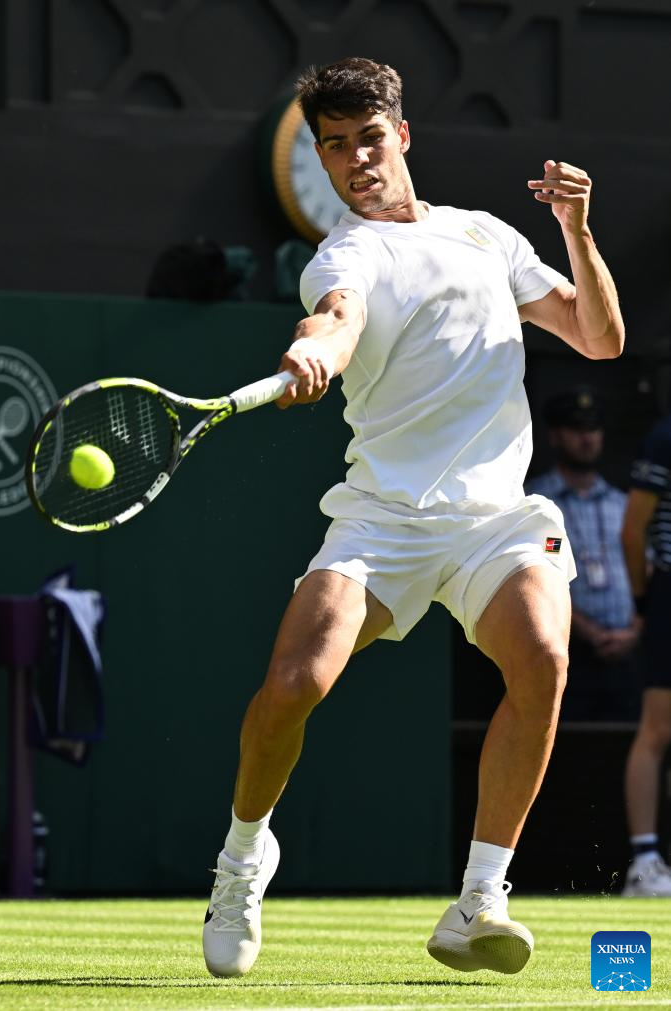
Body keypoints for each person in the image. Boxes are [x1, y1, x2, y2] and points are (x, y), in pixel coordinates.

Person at [202, 57, 624, 978]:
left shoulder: (486, 234)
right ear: (323, 156)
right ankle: (242, 857)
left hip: (495, 519)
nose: (356, 159)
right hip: (383, 517)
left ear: (401, 134)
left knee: (543, 658)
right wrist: (315, 350)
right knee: (292, 687)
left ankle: (478, 901)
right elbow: (337, 316)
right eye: (335, 146)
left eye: (368, 138)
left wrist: (576, 230)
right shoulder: (344, 254)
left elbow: (599, 337)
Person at [527, 388, 640, 721]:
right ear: (554, 435)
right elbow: (536, 579)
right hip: (564, 650)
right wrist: (586, 630)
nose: (587, 438)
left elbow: (647, 571)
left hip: (628, 653)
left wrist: (635, 630)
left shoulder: (623, 504)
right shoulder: (536, 503)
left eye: (593, 428)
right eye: (576, 428)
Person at [621, 413, 671, 896]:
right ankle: (644, 863)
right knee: (657, 728)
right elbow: (632, 530)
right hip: (668, 595)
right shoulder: (665, 436)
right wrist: (643, 601)